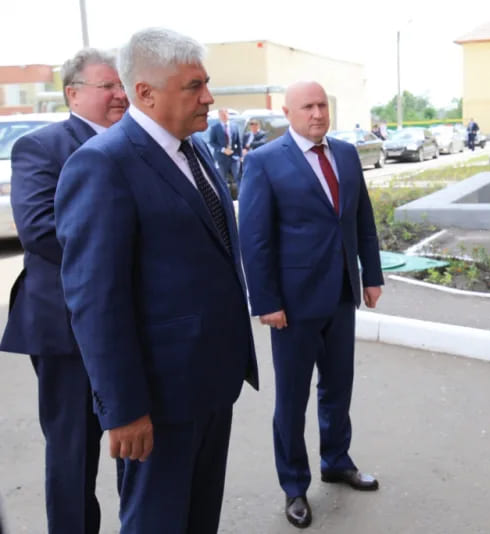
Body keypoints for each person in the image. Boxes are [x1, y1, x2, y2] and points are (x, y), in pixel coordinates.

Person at [54, 28, 259, 533]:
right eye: (194, 86)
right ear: (145, 92)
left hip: (211, 383)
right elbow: (96, 301)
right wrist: (123, 410)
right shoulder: (103, 165)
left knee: (198, 519)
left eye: (206, 83)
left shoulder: (196, 150)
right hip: (156, 401)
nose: (208, 97)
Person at [238, 80, 384, 529]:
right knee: (293, 398)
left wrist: (371, 275)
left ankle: (336, 460)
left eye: (322, 105)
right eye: (308, 106)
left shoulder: (343, 154)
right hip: (293, 305)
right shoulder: (264, 162)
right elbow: (255, 239)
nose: (317, 113)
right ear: (288, 112)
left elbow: (362, 220)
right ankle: (294, 486)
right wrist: (266, 301)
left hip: (340, 293)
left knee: (338, 387)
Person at [0, 48, 128, 534]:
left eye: (122, 85)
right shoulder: (42, 147)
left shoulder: (136, 144)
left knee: (136, 443)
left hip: (130, 324)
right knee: (74, 451)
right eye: (108, 86)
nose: (120, 94)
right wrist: (130, 247)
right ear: (73, 93)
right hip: (66, 329)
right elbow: (38, 229)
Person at [209, 107, 241, 191]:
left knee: (238, 177)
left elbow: (238, 142)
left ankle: (241, 197)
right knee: (223, 179)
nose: (224, 116)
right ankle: (226, 199)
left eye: (225, 114)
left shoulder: (234, 126)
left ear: (228, 114)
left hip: (234, 157)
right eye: (222, 114)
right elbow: (212, 142)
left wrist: (240, 156)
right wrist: (223, 149)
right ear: (219, 116)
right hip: (221, 157)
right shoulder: (215, 128)